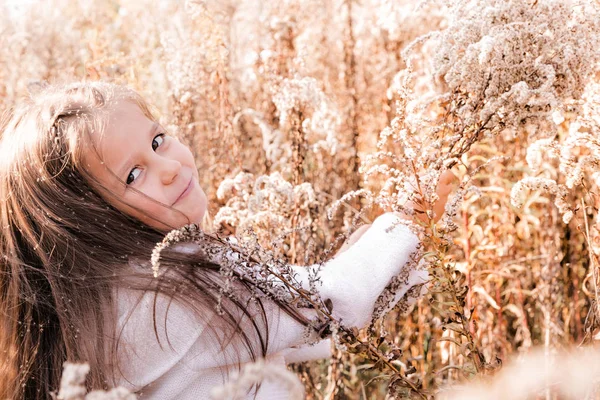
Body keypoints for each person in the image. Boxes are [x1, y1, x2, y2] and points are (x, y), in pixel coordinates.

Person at [0, 81, 454, 399]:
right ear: (88, 221)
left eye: (158, 140)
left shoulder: (93, 317)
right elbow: (332, 303)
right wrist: (409, 221)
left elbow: (285, 331)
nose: (170, 167)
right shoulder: (179, 287)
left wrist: (369, 260)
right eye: (134, 174)